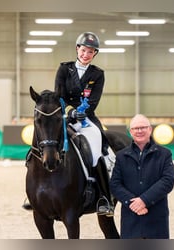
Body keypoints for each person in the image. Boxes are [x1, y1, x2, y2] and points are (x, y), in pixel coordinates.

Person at [54, 31, 114, 216]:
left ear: (94, 54)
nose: (86, 54)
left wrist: (82, 113)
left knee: (97, 149)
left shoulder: (98, 74)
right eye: (84, 50)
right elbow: (59, 96)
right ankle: (36, 191)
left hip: (87, 118)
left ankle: (105, 197)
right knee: (46, 140)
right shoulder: (64, 69)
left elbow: (94, 100)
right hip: (65, 115)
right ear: (77, 49)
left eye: (90, 52)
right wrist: (70, 111)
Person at [110, 114, 174, 239]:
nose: (139, 131)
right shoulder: (121, 156)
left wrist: (144, 200)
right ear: (131, 132)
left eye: (143, 127)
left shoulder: (164, 154)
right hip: (131, 219)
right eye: (135, 128)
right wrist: (132, 203)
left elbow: (167, 181)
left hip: (156, 219)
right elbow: (115, 184)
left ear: (150, 129)